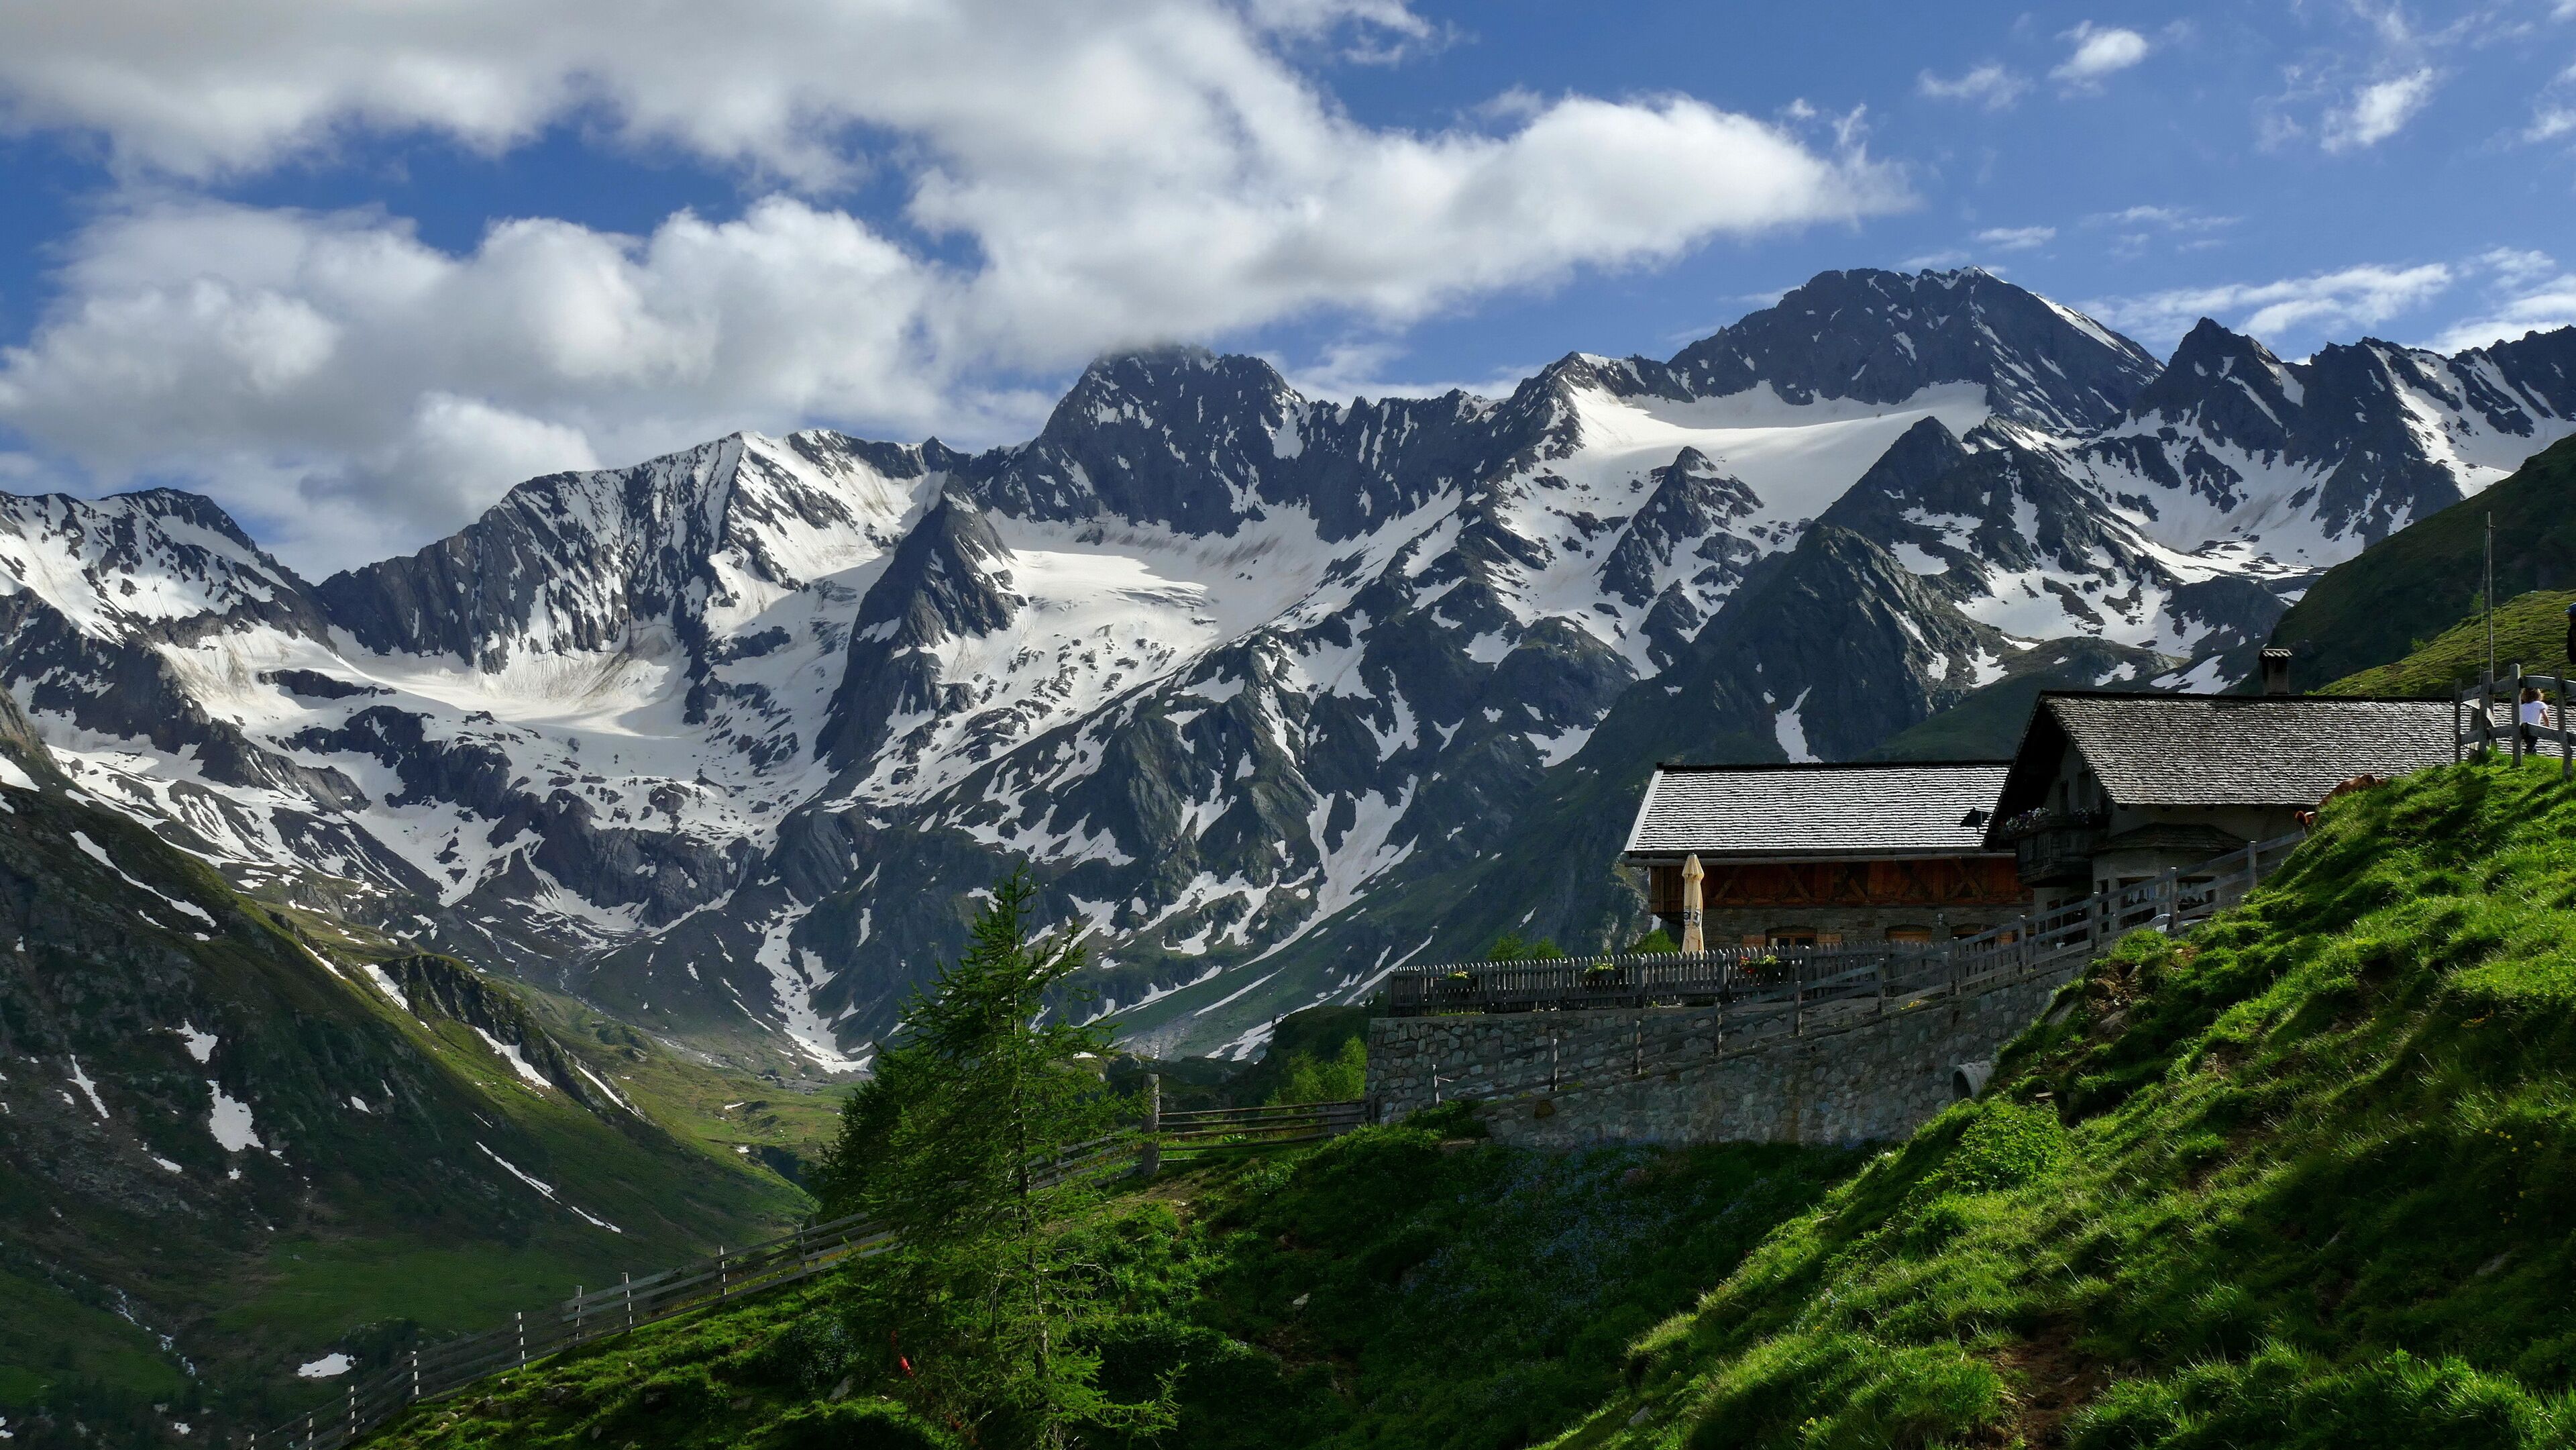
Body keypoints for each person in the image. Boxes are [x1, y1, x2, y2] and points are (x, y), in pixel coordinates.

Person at [2521, 685, 2550, 749]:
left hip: (2523, 728)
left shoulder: (2522, 706)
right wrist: (2547, 727)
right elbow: (2545, 717)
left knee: (2529, 743)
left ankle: (2530, 755)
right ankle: (2529, 754)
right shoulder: (2540, 704)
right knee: (2532, 744)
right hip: (2534, 728)